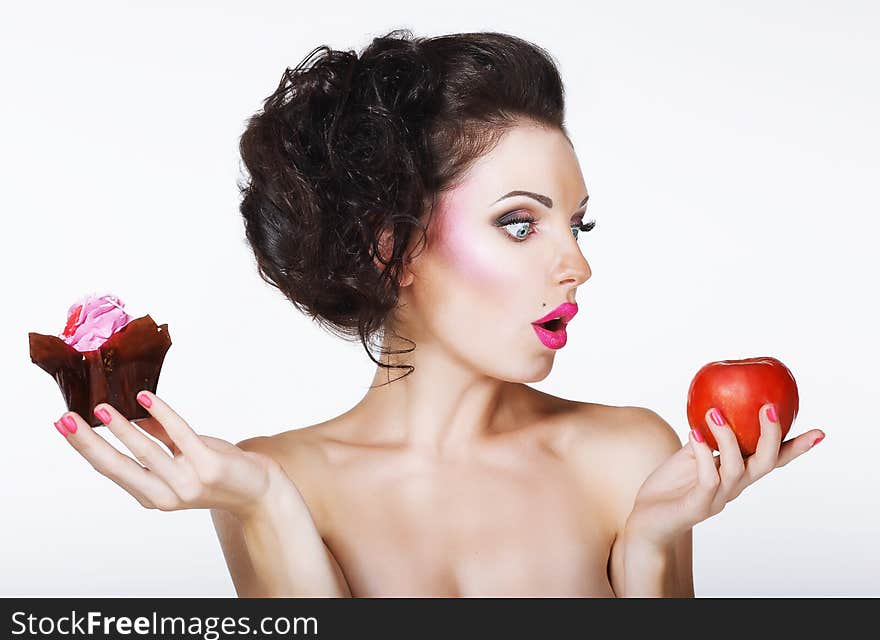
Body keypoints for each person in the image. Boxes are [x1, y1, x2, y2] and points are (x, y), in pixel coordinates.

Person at [54, 28, 823, 597]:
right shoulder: (279, 478)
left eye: (576, 224)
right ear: (396, 248)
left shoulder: (626, 459)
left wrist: (653, 546)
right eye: (520, 223)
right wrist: (266, 507)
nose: (578, 265)